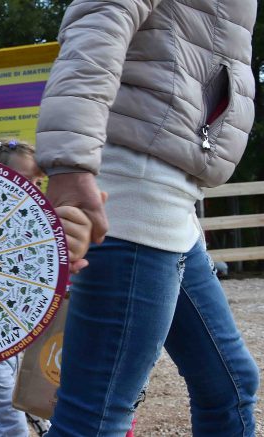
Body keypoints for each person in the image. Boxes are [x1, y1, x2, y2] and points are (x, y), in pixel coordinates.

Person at [35, 1, 260, 435]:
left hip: (171, 199)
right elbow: (102, 18)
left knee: (229, 385)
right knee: (96, 417)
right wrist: (70, 162)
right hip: (135, 196)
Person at [0, 138, 93, 437]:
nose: (31, 189)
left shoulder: (30, 226)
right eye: (22, 180)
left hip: (10, 338)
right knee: (9, 422)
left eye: (37, 182)